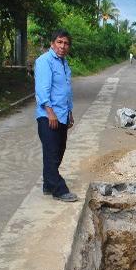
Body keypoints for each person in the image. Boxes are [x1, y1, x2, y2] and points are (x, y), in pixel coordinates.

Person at [34, 29, 78, 202]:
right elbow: (42, 89)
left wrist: (70, 112)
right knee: (52, 153)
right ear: (52, 43)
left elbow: (66, 91)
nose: (63, 46)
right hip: (48, 116)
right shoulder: (45, 61)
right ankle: (59, 189)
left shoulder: (64, 63)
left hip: (62, 114)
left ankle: (47, 184)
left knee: (59, 151)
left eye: (66, 43)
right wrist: (50, 112)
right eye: (59, 42)